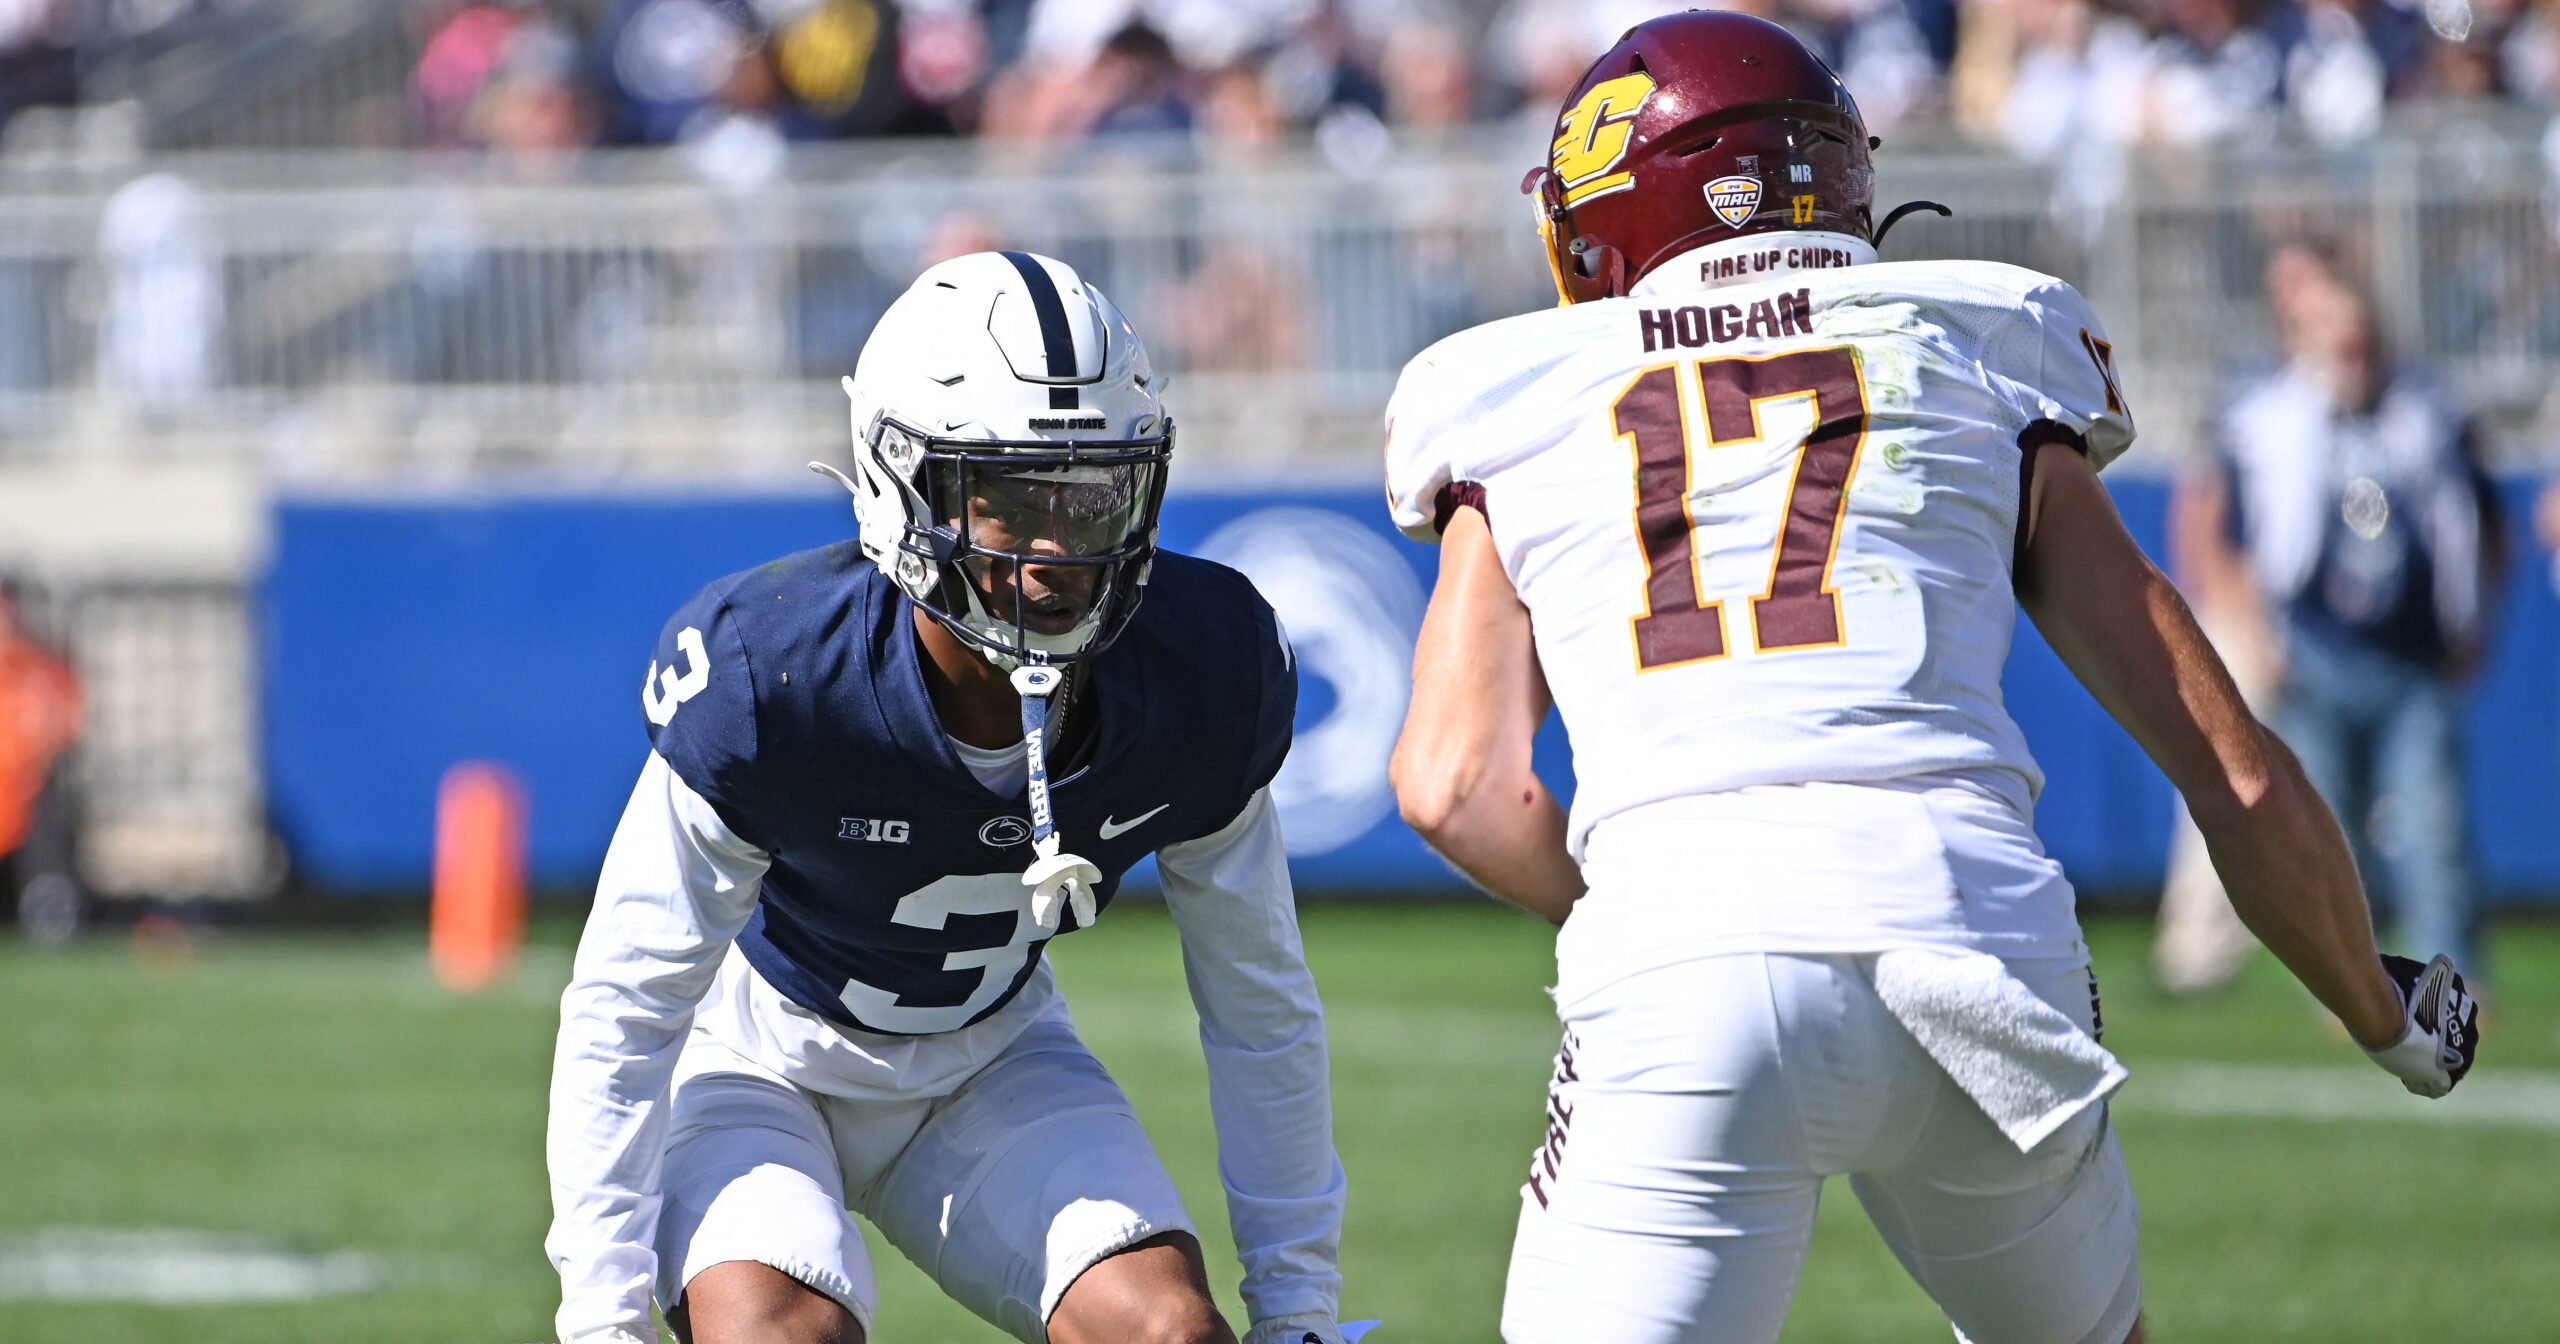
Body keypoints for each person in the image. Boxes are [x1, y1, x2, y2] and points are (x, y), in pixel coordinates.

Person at [1381, 15, 2481, 1344]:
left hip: (1685, 957)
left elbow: (1451, 786)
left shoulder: (1520, 395)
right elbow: (2229, 766)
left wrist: (1645, 918)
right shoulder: (1977, 342)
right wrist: (2381, 1011)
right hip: (1975, 941)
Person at [547, 250, 1347, 1344]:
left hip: (992, 1058)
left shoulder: (1205, 667)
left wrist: (1299, 1308)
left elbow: (1260, 1004)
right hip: (753, 1063)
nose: (1062, 549)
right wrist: (601, 1318)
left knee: (1168, 1336)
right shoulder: (773, 672)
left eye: (1093, 489)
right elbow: (627, 999)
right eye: (1012, 499)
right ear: (901, 487)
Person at [2168, 243, 2500, 991]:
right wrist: (2251, 630)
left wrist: (2474, 622)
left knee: (2429, 824)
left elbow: (2479, 529)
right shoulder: (2272, 419)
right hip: (2314, 650)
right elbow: (2227, 531)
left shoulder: (2428, 414)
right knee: (2329, 830)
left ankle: (2458, 977)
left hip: (2409, 656)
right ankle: (2356, 982)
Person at [0, 579, 80, 926]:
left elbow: (64, 724)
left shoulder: (37, 668)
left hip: (24, 790)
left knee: (45, 811)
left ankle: (49, 906)